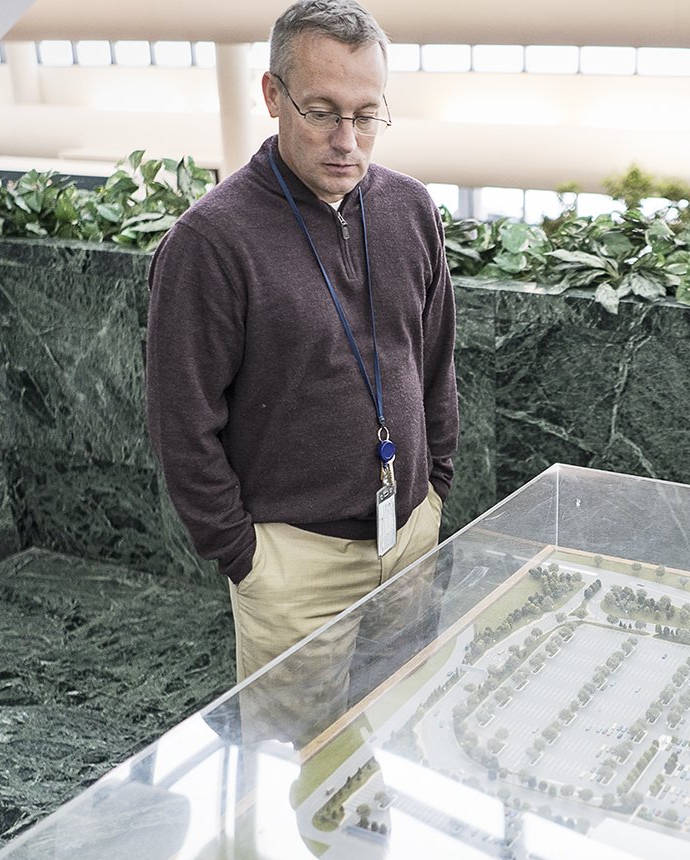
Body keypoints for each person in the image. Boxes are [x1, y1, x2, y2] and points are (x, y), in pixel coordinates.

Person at [146, 0, 458, 685]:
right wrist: (246, 558)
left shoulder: (412, 209)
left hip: (409, 537)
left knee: (397, 722)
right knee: (298, 764)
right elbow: (182, 423)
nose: (347, 139)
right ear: (272, 95)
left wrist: (434, 491)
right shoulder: (209, 242)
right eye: (322, 112)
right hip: (292, 569)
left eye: (367, 113)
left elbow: (434, 362)